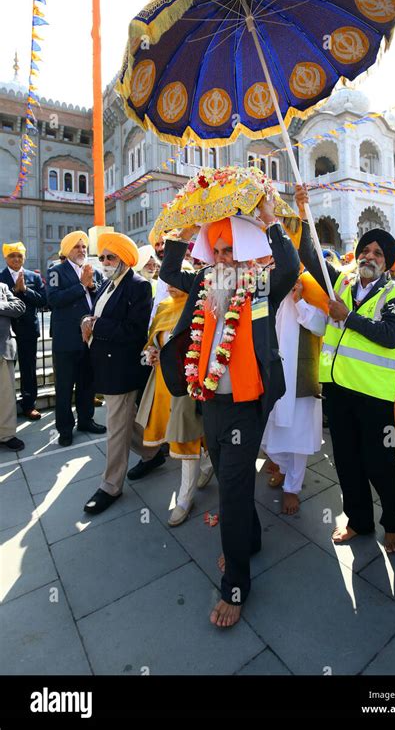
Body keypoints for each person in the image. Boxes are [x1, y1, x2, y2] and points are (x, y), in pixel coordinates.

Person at [159, 201, 300, 627]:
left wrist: (271, 218)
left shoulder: (260, 284)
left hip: (245, 407)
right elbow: (168, 271)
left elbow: (291, 268)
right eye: (216, 251)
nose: (223, 259)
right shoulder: (203, 282)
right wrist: (183, 230)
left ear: (243, 255)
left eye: (230, 252)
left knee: (233, 493)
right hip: (210, 403)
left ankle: (235, 587)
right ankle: (250, 540)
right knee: (227, 481)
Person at [295, 184, 395, 554]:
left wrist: (346, 317)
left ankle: (392, 524)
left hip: (374, 395)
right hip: (337, 389)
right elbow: (311, 256)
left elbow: (391, 336)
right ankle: (358, 521)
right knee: (346, 462)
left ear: (387, 262)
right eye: (365, 250)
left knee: (379, 463)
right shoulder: (343, 283)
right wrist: (303, 213)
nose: (369, 255)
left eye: (378, 253)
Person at [81, 233, 154, 514]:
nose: (104, 262)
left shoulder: (138, 286)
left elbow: (135, 332)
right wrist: (86, 321)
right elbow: (96, 317)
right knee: (124, 423)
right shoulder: (108, 285)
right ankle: (152, 452)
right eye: (101, 257)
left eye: (110, 257)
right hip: (104, 365)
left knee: (115, 429)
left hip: (122, 368)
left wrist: (96, 325)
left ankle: (110, 486)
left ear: (124, 259)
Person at [134, 282, 213, 525]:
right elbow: (151, 344)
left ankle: (185, 498)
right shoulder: (164, 308)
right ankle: (208, 463)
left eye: (178, 282)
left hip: (186, 384)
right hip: (162, 385)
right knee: (183, 434)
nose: (171, 287)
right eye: (168, 282)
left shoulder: (201, 308)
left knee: (185, 438)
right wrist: (152, 355)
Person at [261, 271, 327, 514]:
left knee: (298, 434)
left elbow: (320, 326)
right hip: (270, 371)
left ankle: (292, 488)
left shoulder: (310, 284)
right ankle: (283, 466)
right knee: (271, 430)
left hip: (299, 373)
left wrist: (299, 300)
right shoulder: (264, 281)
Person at [46, 231, 106, 446]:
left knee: (87, 384)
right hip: (66, 339)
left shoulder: (94, 272)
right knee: (64, 386)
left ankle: (86, 420)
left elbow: (100, 298)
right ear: (67, 250)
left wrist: (92, 286)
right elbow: (53, 300)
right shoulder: (56, 271)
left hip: (89, 339)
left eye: (84, 247)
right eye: (76, 247)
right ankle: (64, 428)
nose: (81, 250)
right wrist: (81, 286)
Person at [0, 242, 47, 419]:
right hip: (5, 333)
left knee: (28, 369)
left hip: (28, 331)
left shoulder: (33, 277)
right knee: (6, 371)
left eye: (20, 256)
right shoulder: (0, 277)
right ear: (6, 258)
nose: (16, 259)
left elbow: (43, 301)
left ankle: (29, 405)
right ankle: (6, 406)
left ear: (24, 257)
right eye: (12, 256)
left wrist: (25, 290)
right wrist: (14, 290)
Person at [0, 282, 26, 450]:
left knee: (6, 396)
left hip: (3, 348)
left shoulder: (2, 287)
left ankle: (6, 435)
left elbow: (20, 306)